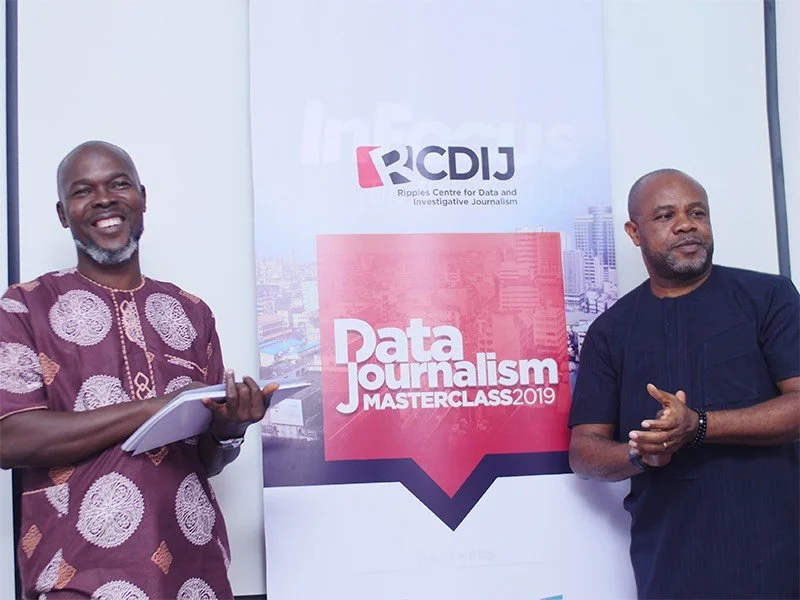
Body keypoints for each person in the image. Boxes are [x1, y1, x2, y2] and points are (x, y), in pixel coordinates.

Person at [0, 141, 276, 599]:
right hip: (79, 577)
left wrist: (228, 431)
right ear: (63, 214)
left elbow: (205, 462)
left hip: (194, 573)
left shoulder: (192, 313)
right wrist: (157, 407)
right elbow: (9, 439)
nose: (104, 199)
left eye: (118, 184)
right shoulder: (23, 308)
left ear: (142, 198)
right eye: (83, 191)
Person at [568, 168, 799, 599]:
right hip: (669, 562)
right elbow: (584, 453)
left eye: (697, 212)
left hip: (776, 552)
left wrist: (699, 425)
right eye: (665, 215)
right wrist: (638, 454)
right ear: (634, 233)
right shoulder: (610, 331)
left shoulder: (769, 298)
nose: (686, 224)